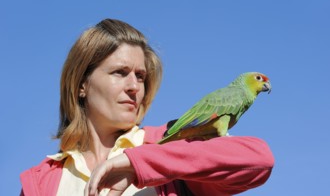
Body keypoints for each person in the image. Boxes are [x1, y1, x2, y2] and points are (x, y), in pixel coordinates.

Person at [20, 18, 274, 196]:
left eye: (140, 77)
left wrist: (140, 163)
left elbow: (259, 160)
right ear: (81, 85)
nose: (134, 87)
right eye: (120, 72)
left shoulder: (170, 147)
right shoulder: (41, 180)